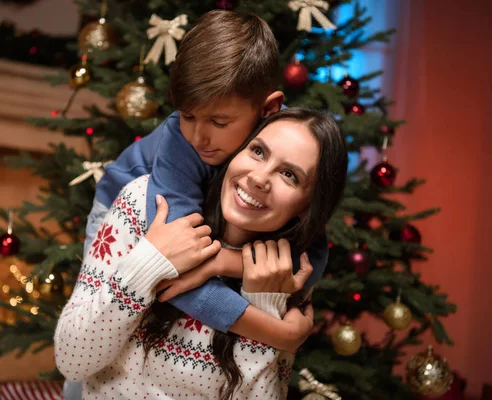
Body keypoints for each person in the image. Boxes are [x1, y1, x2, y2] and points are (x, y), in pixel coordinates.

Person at [55, 107, 349, 399]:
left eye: (289, 174)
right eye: (258, 151)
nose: (260, 178)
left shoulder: (285, 272)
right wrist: (148, 260)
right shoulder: (144, 205)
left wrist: (264, 302)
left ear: (307, 207)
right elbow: (72, 361)